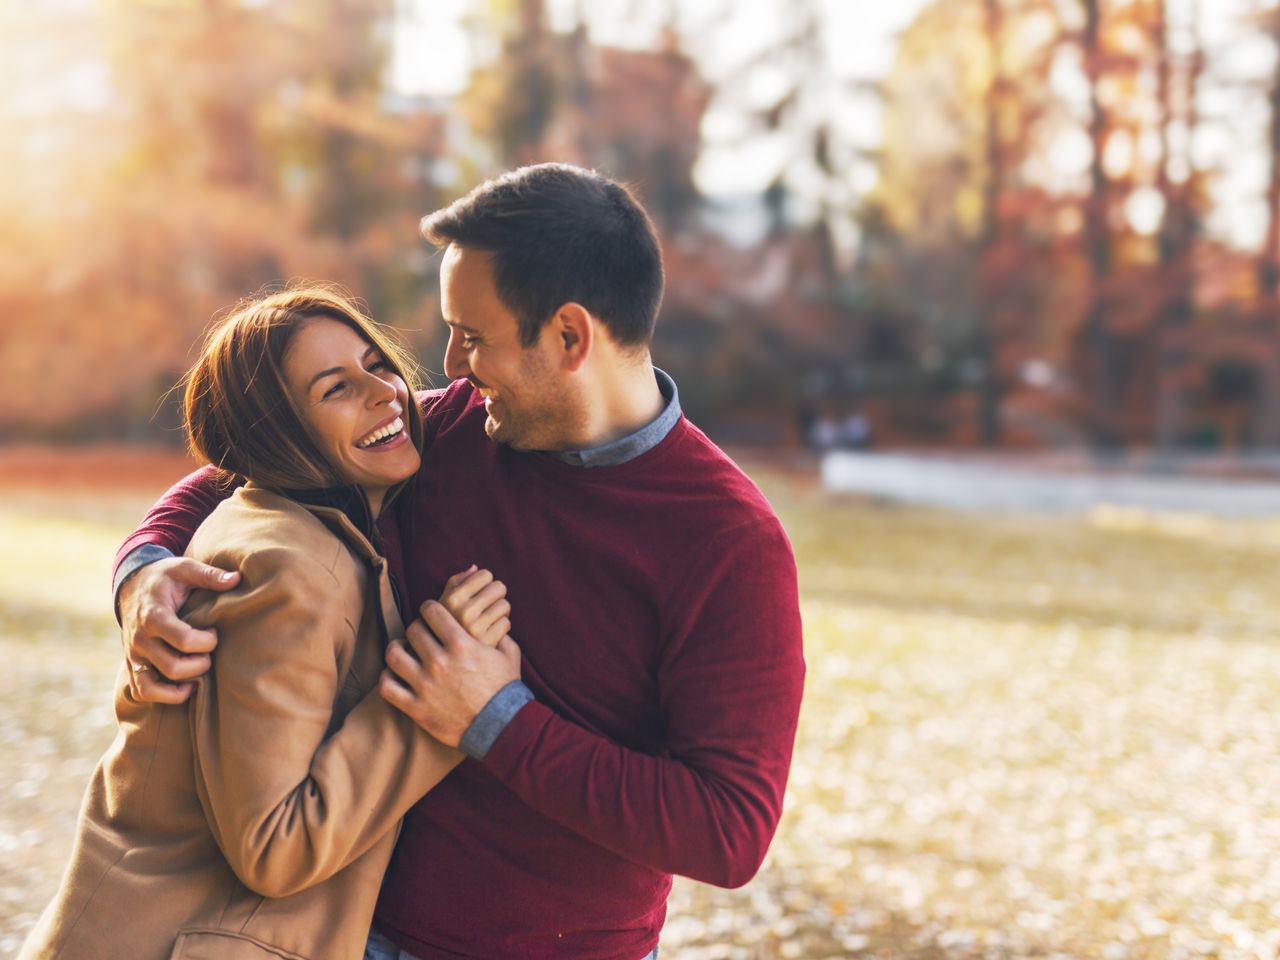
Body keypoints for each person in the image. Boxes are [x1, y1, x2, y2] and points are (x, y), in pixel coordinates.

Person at [114, 163, 806, 960]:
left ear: (570, 337)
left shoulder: (727, 544)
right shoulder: (451, 432)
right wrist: (144, 570)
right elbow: (248, 464)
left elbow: (727, 831)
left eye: (473, 337)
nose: (448, 364)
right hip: (344, 934)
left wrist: (494, 719)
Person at [22, 289, 514, 960]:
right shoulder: (288, 570)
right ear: (275, 435)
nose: (386, 393)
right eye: (335, 388)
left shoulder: (291, 530)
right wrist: (435, 700)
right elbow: (272, 848)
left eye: (376, 363)